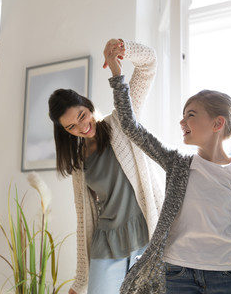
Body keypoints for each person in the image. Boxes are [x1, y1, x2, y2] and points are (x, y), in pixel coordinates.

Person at [104, 41, 231, 294]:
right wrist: (117, 74)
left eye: (190, 114)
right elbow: (130, 127)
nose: (182, 121)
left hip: (228, 276)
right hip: (176, 273)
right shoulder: (178, 163)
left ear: (217, 123)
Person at [48, 39, 164, 294]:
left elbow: (149, 65)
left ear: (88, 107)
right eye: (71, 126)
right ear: (65, 131)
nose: (81, 127)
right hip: (106, 242)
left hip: (144, 233)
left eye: (82, 116)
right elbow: (85, 218)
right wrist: (80, 282)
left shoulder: (121, 123)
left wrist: (122, 53)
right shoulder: (79, 164)